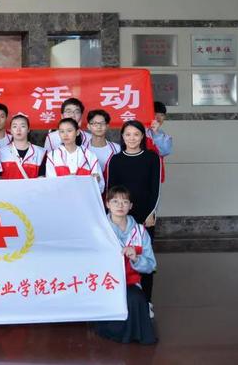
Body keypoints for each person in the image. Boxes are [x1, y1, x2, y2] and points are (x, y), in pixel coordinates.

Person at [107, 120, 161, 314]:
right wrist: (112, 213)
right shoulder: (116, 159)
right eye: (128, 134)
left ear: (142, 137)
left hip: (144, 216)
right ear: (122, 137)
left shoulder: (152, 158)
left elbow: (156, 188)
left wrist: (151, 213)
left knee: (143, 256)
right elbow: (111, 189)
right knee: (117, 256)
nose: (132, 138)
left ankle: (146, 301)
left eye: (136, 134)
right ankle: (116, 298)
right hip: (119, 214)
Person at [95, 186, 157, 345]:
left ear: (131, 206)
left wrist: (136, 259)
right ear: (107, 204)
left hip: (130, 281)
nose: (120, 206)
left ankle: (133, 335)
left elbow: (151, 265)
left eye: (124, 202)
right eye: (115, 201)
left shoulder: (140, 231)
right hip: (105, 282)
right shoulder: (99, 230)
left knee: (136, 298)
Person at [45, 118, 102, 189]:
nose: (65, 135)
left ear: (77, 132)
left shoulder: (89, 155)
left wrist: (96, 179)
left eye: (69, 131)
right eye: (62, 131)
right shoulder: (52, 156)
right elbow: (51, 183)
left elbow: (100, 185)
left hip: (84, 195)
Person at [0, 114, 46, 179]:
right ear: (11, 131)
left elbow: (42, 179)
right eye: (15, 126)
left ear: (28, 129)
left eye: (23, 126)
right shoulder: (1, 152)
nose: (18, 130)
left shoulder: (40, 152)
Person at [86, 109, 120, 191]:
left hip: (112, 193)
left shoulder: (116, 148)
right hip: (90, 192)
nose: (99, 127)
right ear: (88, 126)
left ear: (107, 126)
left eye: (102, 123)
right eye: (95, 123)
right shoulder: (82, 149)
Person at [146, 101, 173, 183]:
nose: (158, 118)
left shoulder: (162, 134)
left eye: (161, 115)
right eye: (155, 114)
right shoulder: (139, 131)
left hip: (155, 176)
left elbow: (164, 151)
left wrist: (156, 133)